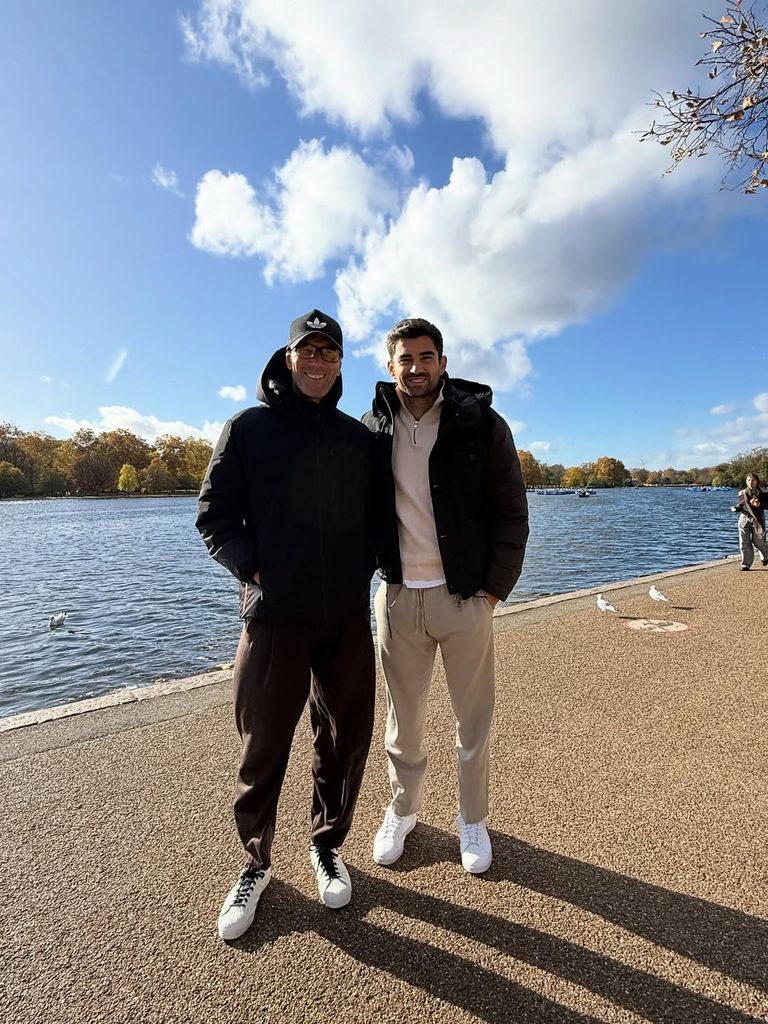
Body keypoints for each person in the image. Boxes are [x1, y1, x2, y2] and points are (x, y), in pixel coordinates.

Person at [196, 309, 376, 941]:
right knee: (263, 742)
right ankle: (254, 863)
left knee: (344, 736)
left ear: (339, 364)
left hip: (347, 618)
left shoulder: (358, 440)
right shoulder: (249, 428)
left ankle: (327, 845)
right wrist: (255, 571)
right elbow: (214, 517)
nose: (319, 361)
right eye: (309, 350)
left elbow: (383, 521)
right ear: (289, 356)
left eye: (330, 353)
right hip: (274, 619)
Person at [363, 317, 529, 874]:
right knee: (403, 718)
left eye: (426, 356)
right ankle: (403, 809)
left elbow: (512, 514)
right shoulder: (371, 428)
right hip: (397, 597)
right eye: (405, 359)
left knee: (472, 719)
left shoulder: (481, 425)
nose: (416, 367)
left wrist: (492, 592)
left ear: (443, 361)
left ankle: (472, 819)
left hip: (464, 599)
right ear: (391, 368)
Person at [733, 472, 768, 570]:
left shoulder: (764, 492)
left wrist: (759, 504)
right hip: (744, 518)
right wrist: (737, 508)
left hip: (757, 518)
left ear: (757, 481)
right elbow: (741, 505)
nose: (751, 482)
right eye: (749, 480)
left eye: (753, 480)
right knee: (744, 542)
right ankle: (746, 564)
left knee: (758, 542)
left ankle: (766, 555)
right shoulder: (742, 493)